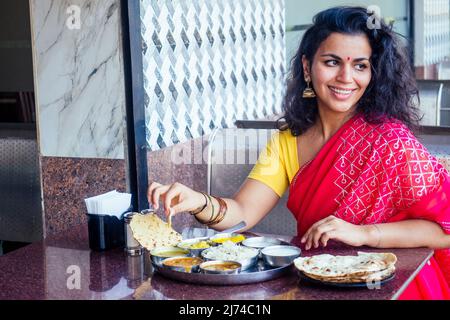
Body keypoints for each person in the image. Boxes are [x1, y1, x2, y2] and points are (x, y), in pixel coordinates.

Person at [148, 6, 450, 299]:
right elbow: (243, 212)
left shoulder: (391, 142)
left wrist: (364, 234)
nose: (346, 77)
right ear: (307, 67)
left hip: (392, 286)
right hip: (318, 282)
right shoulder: (287, 141)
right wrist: (196, 201)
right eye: (332, 62)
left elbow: (445, 230)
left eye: (360, 65)